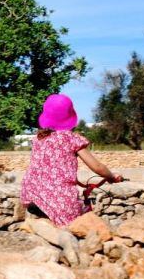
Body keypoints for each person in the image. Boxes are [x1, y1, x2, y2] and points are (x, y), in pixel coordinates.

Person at [20, 94, 122, 226]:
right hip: (58, 198)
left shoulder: (39, 139)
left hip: (31, 193)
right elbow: (97, 167)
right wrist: (111, 176)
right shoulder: (71, 139)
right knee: (80, 224)